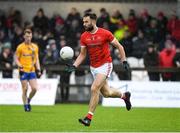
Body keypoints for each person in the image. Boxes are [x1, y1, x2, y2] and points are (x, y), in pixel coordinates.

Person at [66, 13, 131, 126]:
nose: (84, 24)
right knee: (107, 93)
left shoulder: (105, 33)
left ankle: (88, 118)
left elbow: (120, 46)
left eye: (86, 22)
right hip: (94, 67)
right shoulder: (84, 36)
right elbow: (82, 54)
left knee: (94, 88)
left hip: (106, 64)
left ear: (93, 21)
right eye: (83, 22)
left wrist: (124, 61)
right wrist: (74, 66)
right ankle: (124, 96)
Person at [15, 28, 41, 112]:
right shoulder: (20, 47)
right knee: (25, 89)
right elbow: (16, 58)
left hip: (32, 70)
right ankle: (25, 105)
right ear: (24, 37)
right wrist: (19, 65)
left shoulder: (35, 47)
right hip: (23, 71)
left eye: (29, 36)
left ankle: (28, 100)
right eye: (26, 36)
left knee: (34, 89)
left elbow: (36, 59)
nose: (28, 38)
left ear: (32, 36)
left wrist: (39, 69)